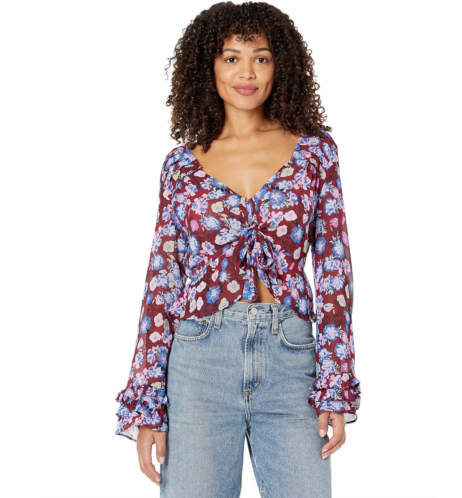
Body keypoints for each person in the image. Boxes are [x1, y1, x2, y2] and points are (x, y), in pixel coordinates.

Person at [115, 2, 361, 497]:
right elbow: (162, 279)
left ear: (280, 66)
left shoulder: (316, 152)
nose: (246, 72)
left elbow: (334, 268)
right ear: (208, 67)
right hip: (199, 362)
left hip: (292, 360)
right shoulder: (181, 166)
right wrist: (148, 404)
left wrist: (335, 381)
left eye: (261, 57)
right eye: (231, 58)